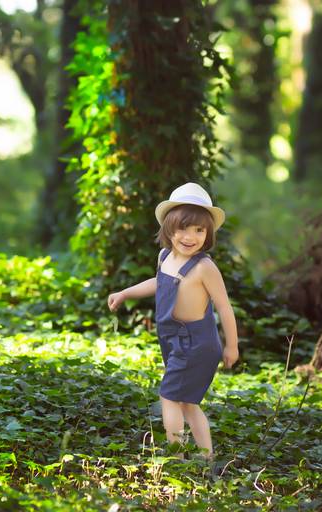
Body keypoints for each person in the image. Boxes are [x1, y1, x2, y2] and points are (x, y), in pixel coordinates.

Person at [107, 182, 239, 461]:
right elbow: (159, 282)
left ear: (208, 233)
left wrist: (232, 346)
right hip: (172, 339)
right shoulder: (165, 256)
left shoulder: (204, 267)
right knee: (187, 402)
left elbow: (224, 307)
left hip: (197, 343)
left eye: (199, 230)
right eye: (183, 228)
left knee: (169, 396)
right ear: (169, 228)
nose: (190, 237)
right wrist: (125, 293)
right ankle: (207, 459)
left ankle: (176, 459)